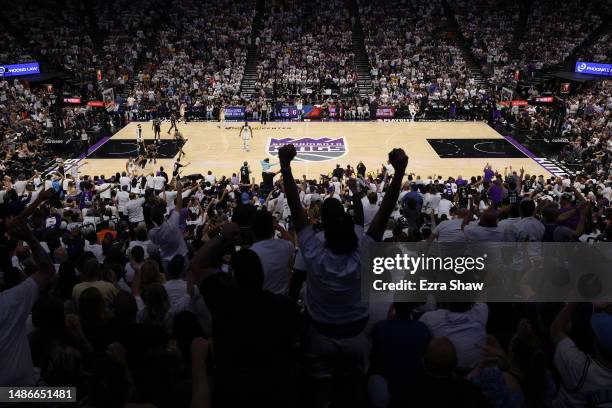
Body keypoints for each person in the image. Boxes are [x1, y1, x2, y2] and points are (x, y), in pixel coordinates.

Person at [278, 143, 408, 406]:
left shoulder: (313, 249)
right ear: (349, 226)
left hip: (320, 333)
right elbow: (384, 212)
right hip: (356, 335)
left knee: (321, 390)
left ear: (322, 226)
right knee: (356, 387)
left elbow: (295, 206)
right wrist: (399, 171)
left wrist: (285, 167)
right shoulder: (363, 248)